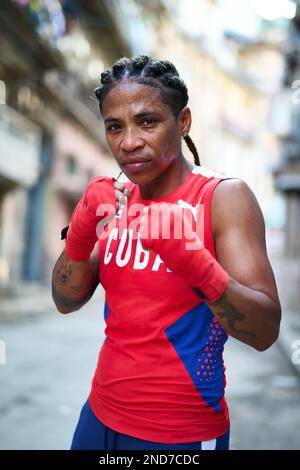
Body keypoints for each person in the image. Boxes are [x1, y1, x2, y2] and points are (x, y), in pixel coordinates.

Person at [51, 54, 281, 451]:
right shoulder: (113, 200)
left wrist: (195, 263)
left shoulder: (223, 197)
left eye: (148, 122)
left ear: (183, 121)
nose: (128, 142)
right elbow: (65, 300)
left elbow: (264, 332)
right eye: (114, 127)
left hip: (179, 434)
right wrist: (81, 231)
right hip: (99, 416)